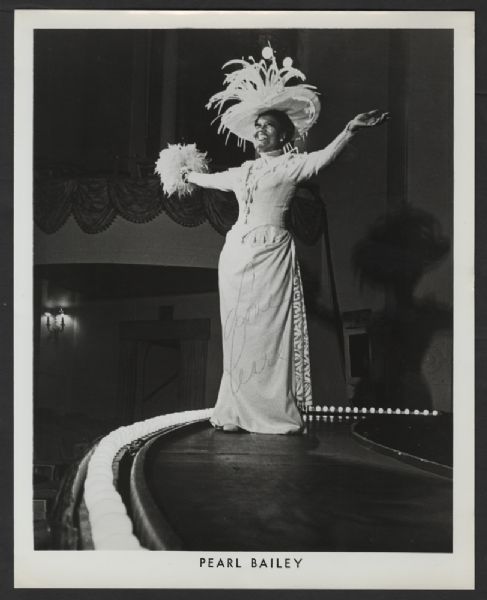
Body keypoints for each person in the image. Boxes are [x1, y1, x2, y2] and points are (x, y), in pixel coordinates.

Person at [181, 45, 389, 434]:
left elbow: (326, 157)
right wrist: (183, 171)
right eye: (256, 126)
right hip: (235, 254)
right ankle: (236, 409)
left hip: (271, 251)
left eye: (268, 126)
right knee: (238, 330)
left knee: (266, 332)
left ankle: (271, 412)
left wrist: (349, 131)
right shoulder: (241, 171)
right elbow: (207, 179)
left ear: (284, 133)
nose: (260, 131)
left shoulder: (293, 165)